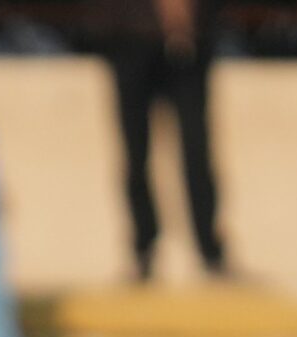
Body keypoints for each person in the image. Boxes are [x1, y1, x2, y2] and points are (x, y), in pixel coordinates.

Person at [92, 0, 226, 280]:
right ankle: (144, 250)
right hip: (130, 38)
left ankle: (210, 252)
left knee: (196, 152)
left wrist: (184, 17)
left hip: (189, 39)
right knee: (136, 153)